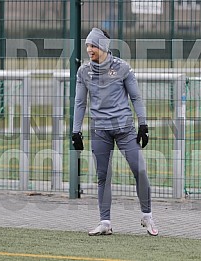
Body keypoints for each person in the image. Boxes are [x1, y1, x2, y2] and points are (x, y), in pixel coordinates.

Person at [71, 28, 158, 236]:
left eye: (93, 46)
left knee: (141, 170)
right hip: (99, 130)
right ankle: (105, 222)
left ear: (103, 47)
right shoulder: (83, 71)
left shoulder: (122, 68)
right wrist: (76, 131)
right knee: (103, 176)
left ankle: (147, 216)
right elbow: (80, 102)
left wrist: (143, 125)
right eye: (87, 46)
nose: (89, 49)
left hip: (124, 129)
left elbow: (136, 97)